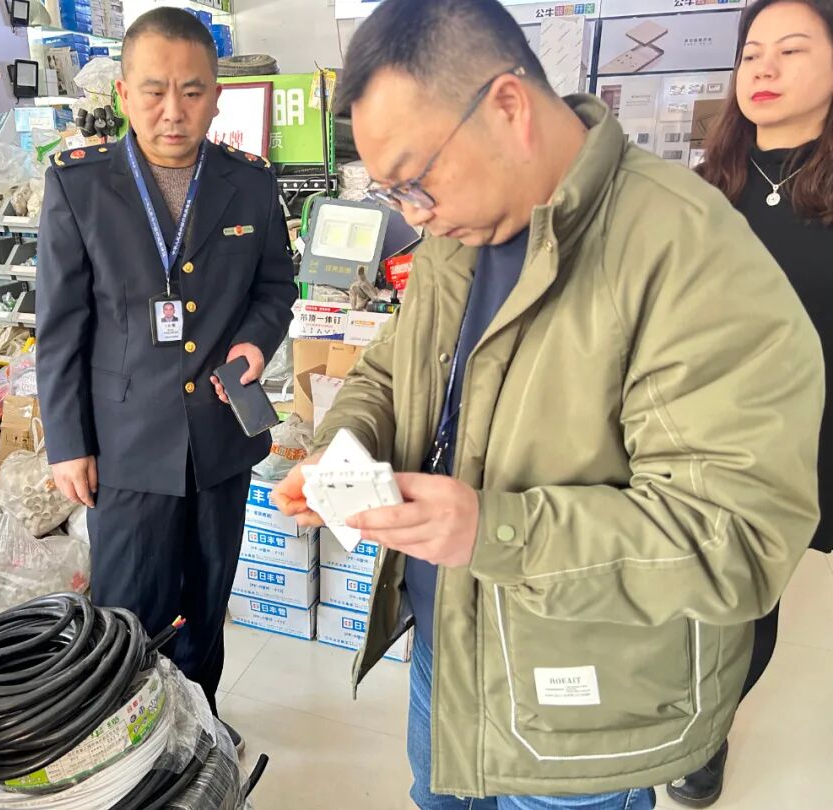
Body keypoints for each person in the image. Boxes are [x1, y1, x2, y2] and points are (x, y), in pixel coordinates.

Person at [272, 1, 824, 808]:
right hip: (447, 649)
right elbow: (391, 370)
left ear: (507, 106)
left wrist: (492, 530)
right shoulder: (457, 231)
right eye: (392, 192)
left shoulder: (688, 251)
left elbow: (735, 540)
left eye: (417, 179)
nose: (413, 213)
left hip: (585, 706)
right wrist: (345, 445)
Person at [36, 8, 297, 750]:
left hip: (219, 437)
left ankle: (198, 727)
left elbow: (276, 285)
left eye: (192, 91)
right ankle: (131, 742)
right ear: (124, 93)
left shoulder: (249, 185)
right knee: (130, 608)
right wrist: (67, 443)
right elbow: (60, 326)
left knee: (206, 599)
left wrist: (254, 343)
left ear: (217, 96)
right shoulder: (80, 186)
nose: (172, 111)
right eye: (153, 91)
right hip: (126, 443)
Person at [668, 1, 833, 805]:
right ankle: (699, 724)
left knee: (756, 586)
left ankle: (708, 725)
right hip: (708, 434)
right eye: (752, 53)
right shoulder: (702, 191)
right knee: (715, 592)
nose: (763, 68)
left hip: (813, 433)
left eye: (791, 50)